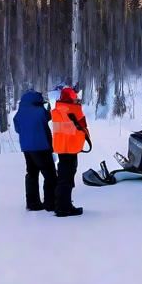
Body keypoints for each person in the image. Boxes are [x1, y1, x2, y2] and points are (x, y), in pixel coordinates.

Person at [13, 89, 57, 212]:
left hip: (26, 148)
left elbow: (17, 129)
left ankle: (32, 203)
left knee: (32, 174)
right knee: (50, 175)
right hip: (41, 146)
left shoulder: (19, 113)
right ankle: (51, 203)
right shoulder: (40, 111)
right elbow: (49, 117)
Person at [51, 86, 89, 217]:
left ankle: (61, 204)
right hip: (71, 148)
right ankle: (64, 207)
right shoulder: (75, 110)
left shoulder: (56, 110)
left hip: (61, 148)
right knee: (67, 178)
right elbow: (83, 128)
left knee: (62, 177)